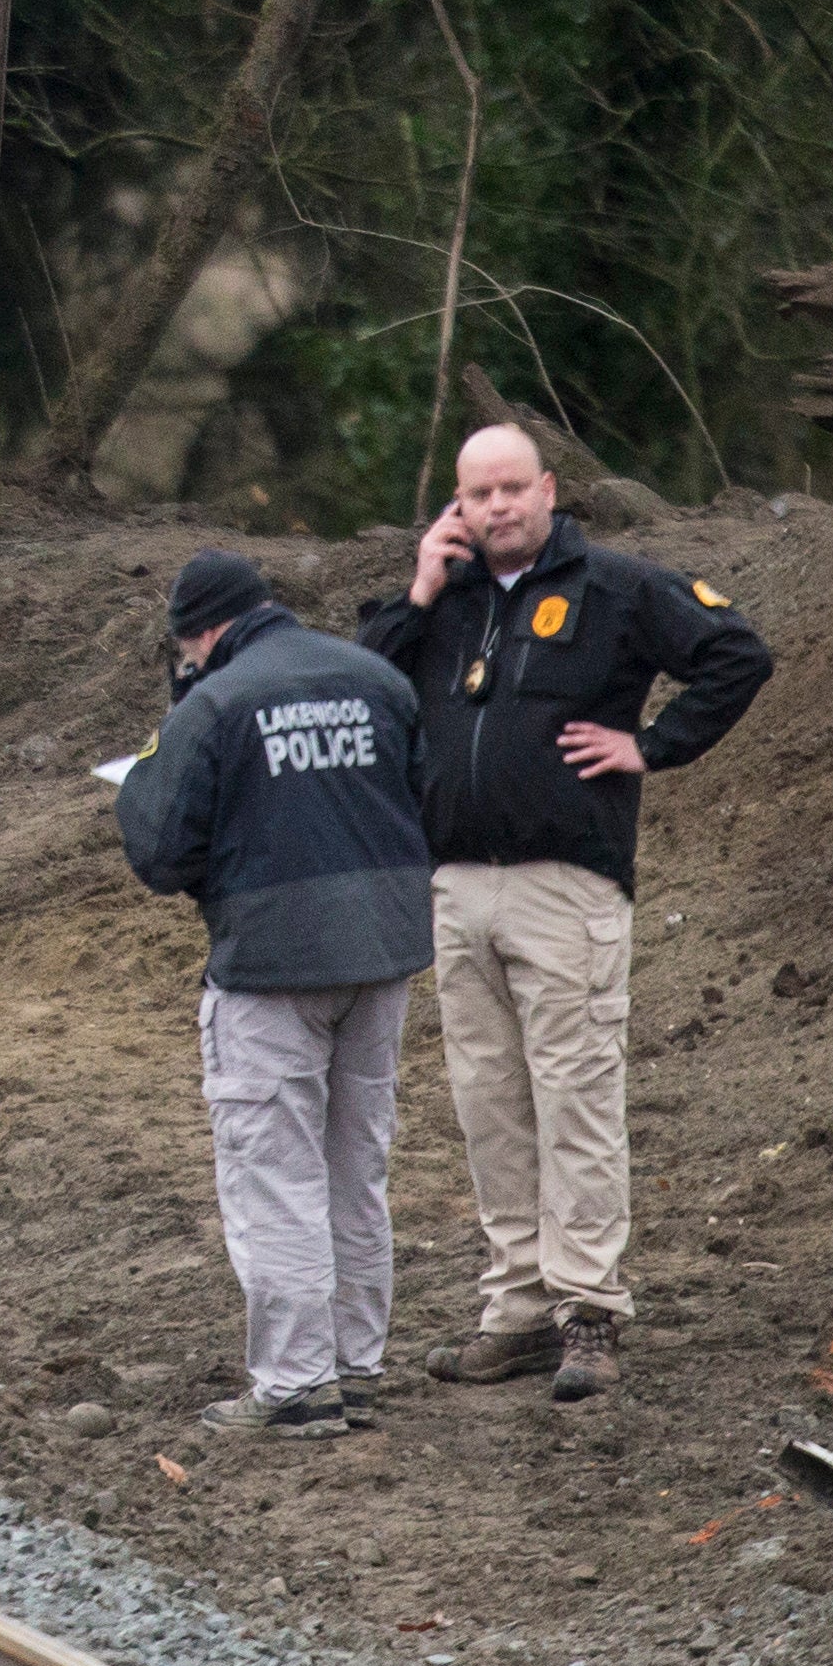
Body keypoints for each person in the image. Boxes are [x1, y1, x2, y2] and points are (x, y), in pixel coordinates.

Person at [357, 422, 774, 1402]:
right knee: (488, 1105)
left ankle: (589, 1310)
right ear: (455, 507)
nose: (497, 508)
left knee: (575, 1098)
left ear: (549, 491)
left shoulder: (618, 587)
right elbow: (365, 686)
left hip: (566, 886)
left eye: (512, 488)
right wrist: (418, 590)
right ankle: (517, 1309)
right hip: (456, 887)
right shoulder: (444, 601)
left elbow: (736, 654)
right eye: (477, 494)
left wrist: (655, 745)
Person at [114, 547, 435, 1438]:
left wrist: (167, 743)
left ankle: (297, 1384)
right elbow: (426, 802)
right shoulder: (376, 678)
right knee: (355, 1164)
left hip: (269, 972)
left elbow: (160, 848)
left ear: (200, 636)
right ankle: (358, 1364)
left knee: (275, 1172)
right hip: (382, 957)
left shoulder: (214, 701)